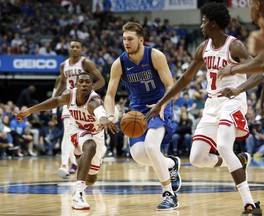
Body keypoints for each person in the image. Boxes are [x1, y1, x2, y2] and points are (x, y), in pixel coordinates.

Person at [146, 3, 262, 215]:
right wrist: (161, 102)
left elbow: (258, 74)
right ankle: (239, 160)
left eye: (204, 20)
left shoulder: (234, 46)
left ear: (213, 23)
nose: (201, 24)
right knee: (197, 158)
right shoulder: (203, 48)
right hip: (212, 105)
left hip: (232, 102)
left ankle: (250, 204)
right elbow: (184, 79)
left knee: (224, 146)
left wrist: (237, 89)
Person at [104, 21, 181, 210]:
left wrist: (162, 104)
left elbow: (171, 86)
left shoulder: (155, 56)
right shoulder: (119, 63)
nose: (126, 43)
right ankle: (171, 163)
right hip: (137, 111)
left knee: (151, 146)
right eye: (124, 39)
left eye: (130, 39)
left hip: (158, 105)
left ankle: (169, 194)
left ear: (141, 40)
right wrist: (109, 116)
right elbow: (109, 95)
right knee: (138, 154)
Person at [15, 72, 117, 210]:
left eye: (88, 82)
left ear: (92, 86)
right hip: (76, 129)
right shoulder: (69, 95)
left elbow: (99, 112)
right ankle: (78, 194)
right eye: (82, 81)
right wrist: (29, 111)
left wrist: (104, 119)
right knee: (89, 146)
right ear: (76, 84)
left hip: (96, 133)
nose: (85, 84)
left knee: (91, 179)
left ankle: (83, 159)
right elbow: (55, 101)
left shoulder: (94, 101)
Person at [218, 0, 264, 168]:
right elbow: (263, 71)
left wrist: (233, 70)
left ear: (257, 4)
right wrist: (237, 89)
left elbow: (262, 62)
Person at [52, 39, 105, 179]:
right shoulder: (63, 65)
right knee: (67, 133)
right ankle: (65, 165)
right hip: (69, 102)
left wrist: (86, 91)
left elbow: (101, 80)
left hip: (86, 102)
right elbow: (62, 83)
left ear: (81, 49)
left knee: (91, 135)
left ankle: (86, 158)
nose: (74, 49)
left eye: (77, 47)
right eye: (72, 47)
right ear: (68, 49)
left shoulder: (86, 63)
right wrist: (53, 104)